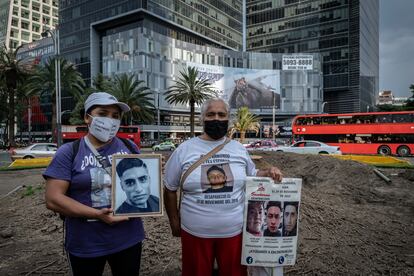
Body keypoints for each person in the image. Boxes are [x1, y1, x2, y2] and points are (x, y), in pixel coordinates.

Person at [163, 98, 283, 276]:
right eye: (211, 114)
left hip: (234, 233)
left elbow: (252, 173)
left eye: (221, 114)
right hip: (195, 234)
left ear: (228, 119)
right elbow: (169, 189)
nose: (216, 119)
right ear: (202, 118)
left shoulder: (238, 149)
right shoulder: (184, 150)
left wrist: (268, 172)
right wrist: (174, 223)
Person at [44, 92, 144, 276]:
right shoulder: (68, 152)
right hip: (85, 244)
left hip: (128, 239)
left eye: (115, 116)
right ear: (87, 118)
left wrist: (151, 170)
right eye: (103, 113)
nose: (110, 120)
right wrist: (97, 214)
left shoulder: (130, 148)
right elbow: (53, 199)